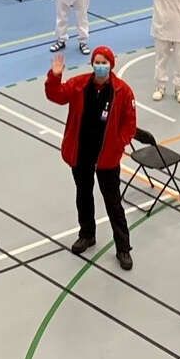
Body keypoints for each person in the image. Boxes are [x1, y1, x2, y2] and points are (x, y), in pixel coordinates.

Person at [44, 47, 139, 271]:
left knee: (113, 202)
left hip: (107, 157)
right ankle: (87, 234)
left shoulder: (123, 91)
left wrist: (118, 144)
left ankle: (123, 247)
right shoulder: (79, 84)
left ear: (111, 65)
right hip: (81, 153)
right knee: (83, 195)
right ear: (92, 63)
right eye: (97, 61)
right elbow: (56, 95)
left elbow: (130, 124)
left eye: (104, 62)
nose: (100, 65)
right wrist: (54, 76)